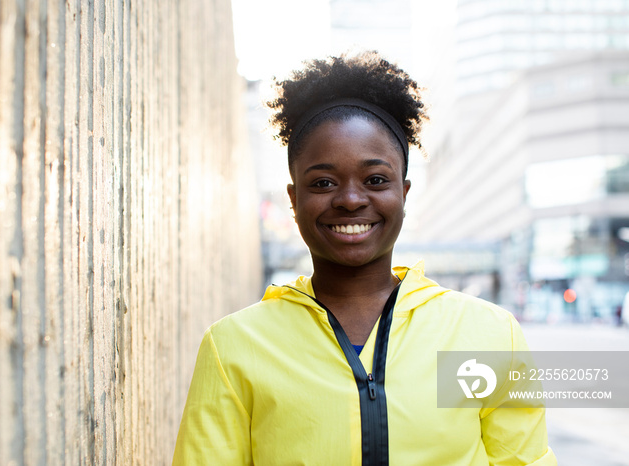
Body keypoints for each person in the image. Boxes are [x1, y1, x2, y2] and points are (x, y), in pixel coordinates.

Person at [172, 51, 556, 465]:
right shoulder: (233, 347)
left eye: (375, 179)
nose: (351, 199)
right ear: (293, 199)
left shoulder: (489, 335)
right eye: (323, 182)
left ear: (403, 195)